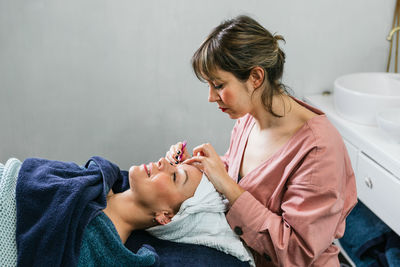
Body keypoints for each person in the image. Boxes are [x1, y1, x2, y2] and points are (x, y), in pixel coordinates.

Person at [166, 15, 357, 266]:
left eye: (219, 84)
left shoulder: (319, 149)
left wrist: (227, 185)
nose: (211, 97)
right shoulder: (248, 120)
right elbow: (247, 180)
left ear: (256, 77)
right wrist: (195, 168)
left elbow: (295, 251)